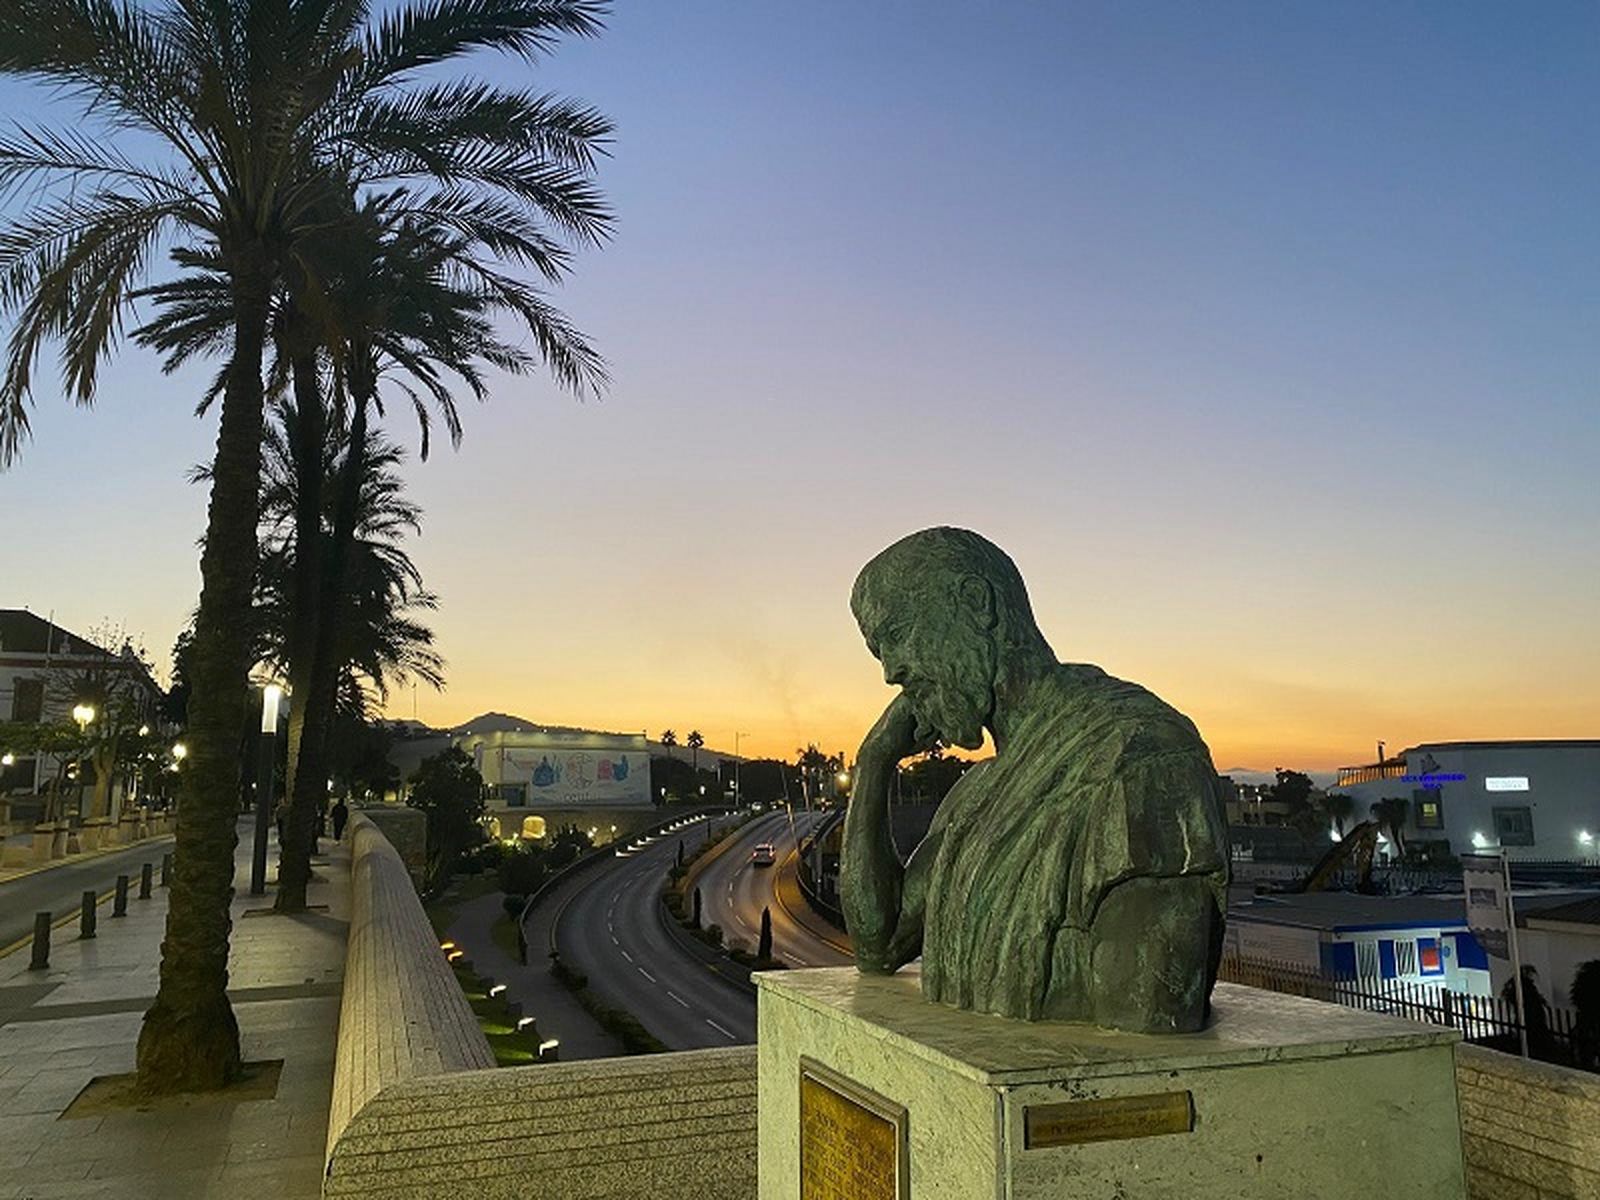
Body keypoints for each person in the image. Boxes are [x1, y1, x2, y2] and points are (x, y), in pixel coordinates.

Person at [842, 527, 1230, 1034]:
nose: (892, 673)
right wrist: (874, 763)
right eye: (879, 653)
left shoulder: (1140, 759)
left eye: (896, 636)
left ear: (976, 603)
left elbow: (1146, 1030)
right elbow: (879, 942)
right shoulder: (977, 794)